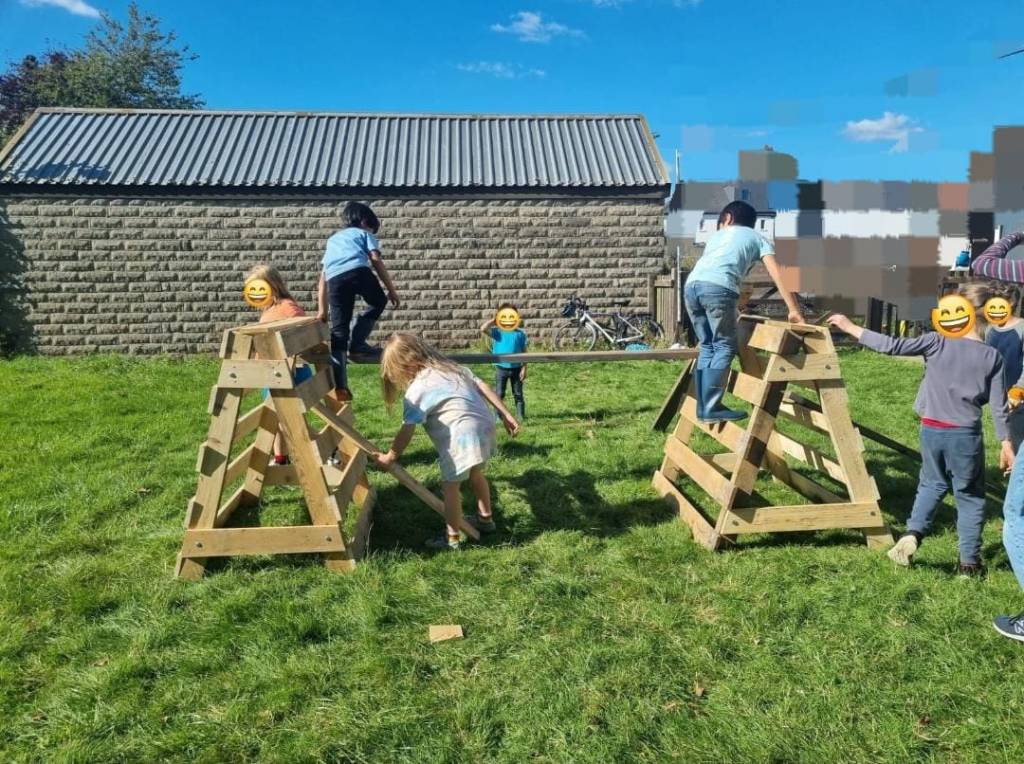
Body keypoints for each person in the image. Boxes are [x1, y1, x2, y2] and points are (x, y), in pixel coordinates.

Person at [827, 285, 1014, 577]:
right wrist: (1006, 444)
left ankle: (912, 534)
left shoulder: (935, 342)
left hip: (931, 430)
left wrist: (850, 327)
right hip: (965, 435)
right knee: (970, 497)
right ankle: (969, 564)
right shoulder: (993, 357)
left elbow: (891, 345)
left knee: (931, 484)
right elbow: (1000, 407)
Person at [374, 333, 520, 551]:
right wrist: (506, 414)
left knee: (450, 487)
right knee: (476, 474)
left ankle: (452, 539)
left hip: (462, 439)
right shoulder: (452, 368)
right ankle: (486, 519)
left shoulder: (417, 390)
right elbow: (483, 387)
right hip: (486, 427)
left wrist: (390, 457)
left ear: (408, 364)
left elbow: (407, 430)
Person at [684, 200, 804, 423]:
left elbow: (719, 271)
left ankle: (703, 406)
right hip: (718, 289)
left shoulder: (716, 238)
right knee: (724, 345)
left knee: (708, 346)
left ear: (727, 218)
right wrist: (793, 310)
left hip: (691, 287)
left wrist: (732, 303)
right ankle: (711, 408)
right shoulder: (758, 239)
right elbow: (778, 275)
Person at [316, 202, 400, 402]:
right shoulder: (364, 234)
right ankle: (358, 344)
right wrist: (391, 290)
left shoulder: (333, 240)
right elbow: (375, 260)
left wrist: (322, 310)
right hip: (358, 271)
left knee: (338, 332)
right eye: (373, 228)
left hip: (335, 279)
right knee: (378, 301)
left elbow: (323, 277)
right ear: (365, 222)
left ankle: (341, 385)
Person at [245, 264, 314, 466]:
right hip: (273, 373)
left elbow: (303, 334)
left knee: (289, 421)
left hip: (289, 373)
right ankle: (281, 458)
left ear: (271, 287)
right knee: (276, 420)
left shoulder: (287, 308)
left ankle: (329, 448)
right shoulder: (273, 309)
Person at [480, 304, 528, 420]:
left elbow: (524, 352)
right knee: (499, 393)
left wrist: (524, 368)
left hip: (516, 368)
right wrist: (494, 320)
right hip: (501, 368)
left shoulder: (520, 334)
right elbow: (483, 328)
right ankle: (497, 416)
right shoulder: (498, 333)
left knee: (518, 394)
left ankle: (520, 416)